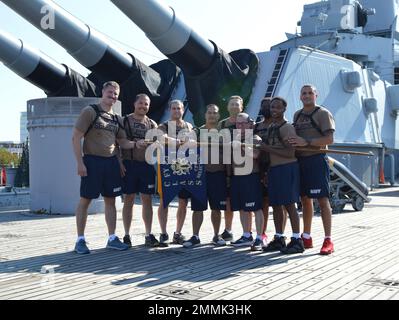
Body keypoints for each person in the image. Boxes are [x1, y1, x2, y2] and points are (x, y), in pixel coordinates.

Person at [72, 81, 136, 254]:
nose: (113, 96)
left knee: (111, 200)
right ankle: (80, 240)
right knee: (85, 200)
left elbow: (122, 142)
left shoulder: (117, 118)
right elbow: (76, 138)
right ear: (103, 92)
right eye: (110, 92)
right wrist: (80, 162)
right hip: (92, 161)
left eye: (116, 94)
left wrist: (140, 144)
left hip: (111, 163)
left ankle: (112, 238)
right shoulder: (90, 111)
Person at [288, 84, 335, 255]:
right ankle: (306, 237)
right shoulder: (297, 115)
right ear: (300, 97)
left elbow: (329, 138)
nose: (307, 96)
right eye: (303, 93)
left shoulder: (323, 113)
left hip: (316, 159)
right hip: (300, 161)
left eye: (310, 93)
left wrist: (306, 143)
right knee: (305, 199)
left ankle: (328, 239)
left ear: (316, 95)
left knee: (322, 200)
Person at [260, 97, 304, 254]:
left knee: (290, 205)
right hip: (275, 170)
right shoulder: (272, 126)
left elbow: (290, 152)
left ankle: (297, 240)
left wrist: (267, 148)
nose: (274, 110)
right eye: (272, 107)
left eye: (278, 107)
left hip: (287, 168)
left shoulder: (286, 128)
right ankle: (279, 238)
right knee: (276, 205)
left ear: (284, 109)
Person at [182, 104, 227, 248]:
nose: (212, 115)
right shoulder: (197, 131)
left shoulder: (223, 133)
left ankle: (216, 235)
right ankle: (195, 236)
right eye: (209, 112)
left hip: (218, 175)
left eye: (215, 113)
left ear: (219, 116)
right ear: (205, 115)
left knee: (217, 208)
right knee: (197, 208)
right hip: (200, 176)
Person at [120, 94, 159, 248]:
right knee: (128, 199)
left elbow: (159, 142)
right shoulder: (125, 120)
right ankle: (126, 235)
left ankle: (148, 234)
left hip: (146, 165)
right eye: (141, 103)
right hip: (129, 164)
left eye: (146, 104)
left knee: (147, 200)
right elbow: (119, 143)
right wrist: (135, 145)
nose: (143, 106)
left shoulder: (152, 123)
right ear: (135, 103)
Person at [157, 100, 194, 246]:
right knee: (164, 200)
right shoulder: (164, 125)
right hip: (167, 166)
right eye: (173, 108)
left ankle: (177, 233)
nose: (176, 111)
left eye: (179, 108)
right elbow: (160, 136)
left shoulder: (188, 126)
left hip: (184, 166)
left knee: (183, 201)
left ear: (183, 109)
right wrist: (176, 140)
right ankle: (163, 233)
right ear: (169, 110)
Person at [217, 96, 250, 242]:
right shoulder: (222, 124)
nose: (234, 107)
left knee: (246, 199)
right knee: (228, 198)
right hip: (226, 165)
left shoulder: (248, 122)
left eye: (237, 104)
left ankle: (247, 232)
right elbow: (216, 143)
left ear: (242, 107)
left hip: (244, 166)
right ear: (228, 106)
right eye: (232, 104)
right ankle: (228, 229)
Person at [229, 113, 264, 251]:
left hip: (251, 177)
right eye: (238, 123)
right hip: (237, 177)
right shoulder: (234, 139)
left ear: (250, 124)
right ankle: (246, 235)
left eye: (243, 123)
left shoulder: (255, 138)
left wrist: (242, 146)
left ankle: (259, 238)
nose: (240, 126)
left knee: (256, 208)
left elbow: (255, 155)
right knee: (242, 208)